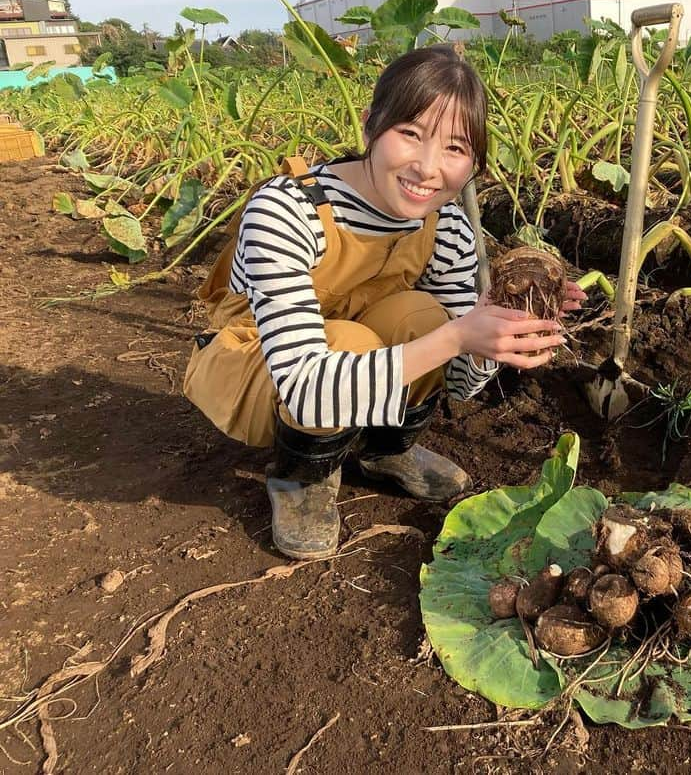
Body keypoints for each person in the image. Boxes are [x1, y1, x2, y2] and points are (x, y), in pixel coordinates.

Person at [183, 45, 585, 560]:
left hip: (352, 365)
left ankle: (383, 451)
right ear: (372, 127)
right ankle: (299, 477)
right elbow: (306, 387)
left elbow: (460, 383)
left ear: (474, 164)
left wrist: (493, 331)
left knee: (423, 318)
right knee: (354, 341)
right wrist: (459, 334)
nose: (428, 168)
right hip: (263, 371)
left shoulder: (450, 230)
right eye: (410, 134)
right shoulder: (286, 210)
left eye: (455, 149)